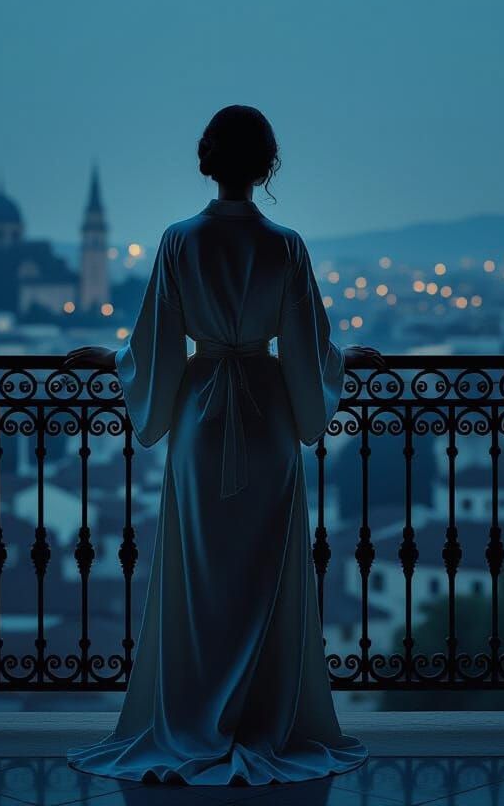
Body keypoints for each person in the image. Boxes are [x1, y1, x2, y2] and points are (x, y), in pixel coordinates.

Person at [64, 105, 382, 786]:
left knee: (200, 579)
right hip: (266, 421)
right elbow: (306, 352)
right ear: (268, 166)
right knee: (262, 573)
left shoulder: (179, 241)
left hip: (199, 422)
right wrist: (342, 364)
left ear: (207, 161)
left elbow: (155, 347)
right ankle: (263, 715)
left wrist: (112, 361)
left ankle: (194, 713)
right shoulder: (286, 246)